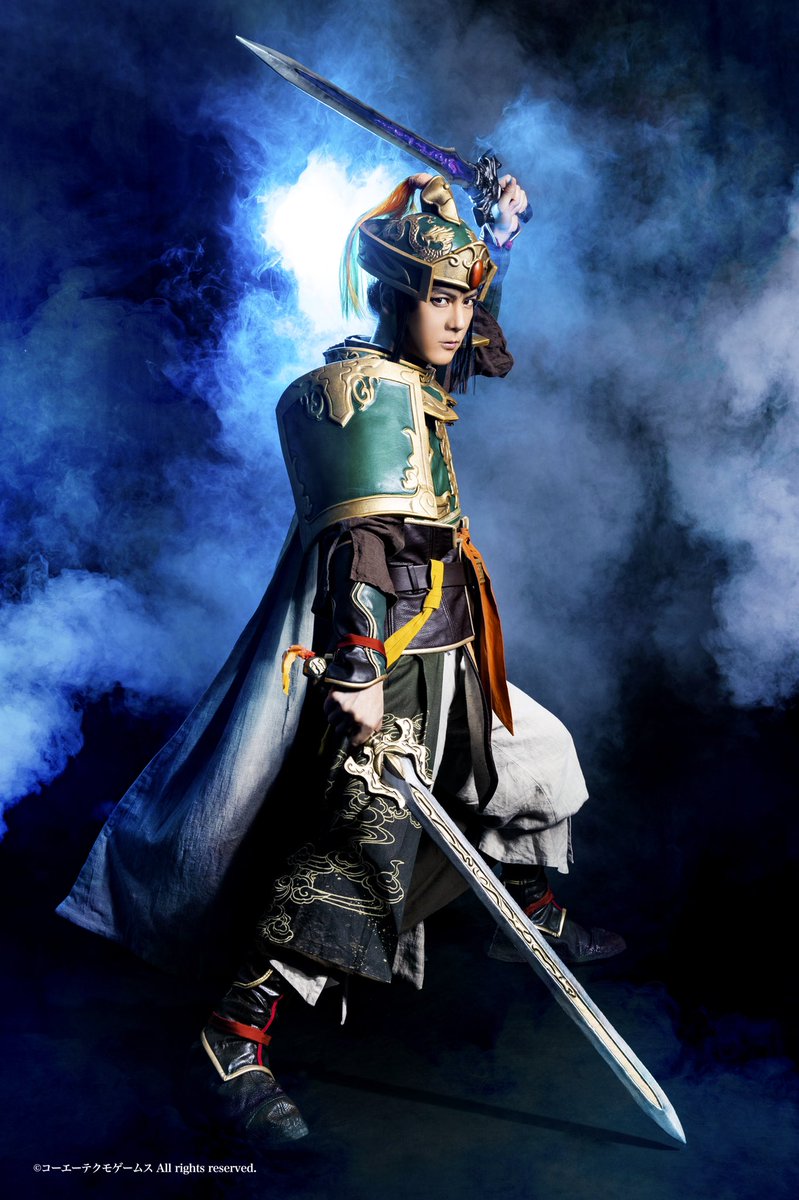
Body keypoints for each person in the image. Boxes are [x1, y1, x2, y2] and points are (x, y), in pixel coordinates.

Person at [57, 172, 624, 1145]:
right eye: (439, 299)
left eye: (463, 299)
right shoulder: (357, 394)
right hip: (383, 661)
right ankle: (233, 1037)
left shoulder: (420, 376)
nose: (459, 319)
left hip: (455, 650)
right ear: (395, 300)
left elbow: (475, 348)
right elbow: (358, 548)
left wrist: (493, 228)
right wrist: (358, 670)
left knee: (538, 759)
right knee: (355, 859)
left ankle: (521, 911)